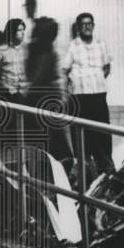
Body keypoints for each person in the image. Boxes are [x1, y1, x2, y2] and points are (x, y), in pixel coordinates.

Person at [63, 12, 114, 172]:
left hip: (98, 95)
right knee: (82, 135)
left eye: (90, 24)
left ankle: (106, 170)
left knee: (103, 133)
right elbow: (64, 69)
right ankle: (85, 171)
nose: (87, 27)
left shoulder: (101, 44)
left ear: (93, 25)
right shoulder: (73, 46)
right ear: (78, 27)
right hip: (80, 97)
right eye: (83, 24)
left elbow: (107, 67)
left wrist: (96, 78)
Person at [25, 16, 74, 173]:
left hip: (45, 98)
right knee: (50, 137)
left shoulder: (46, 52)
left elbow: (37, 77)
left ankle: (60, 167)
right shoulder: (41, 49)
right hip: (46, 98)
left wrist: (25, 91)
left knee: (52, 137)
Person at [0, 18, 28, 102]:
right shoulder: (0, 50)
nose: (23, 33)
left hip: (26, 92)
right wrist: (4, 86)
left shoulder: (27, 49)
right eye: (19, 30)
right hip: (8, 94)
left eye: (23, 30)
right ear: (12, 32)